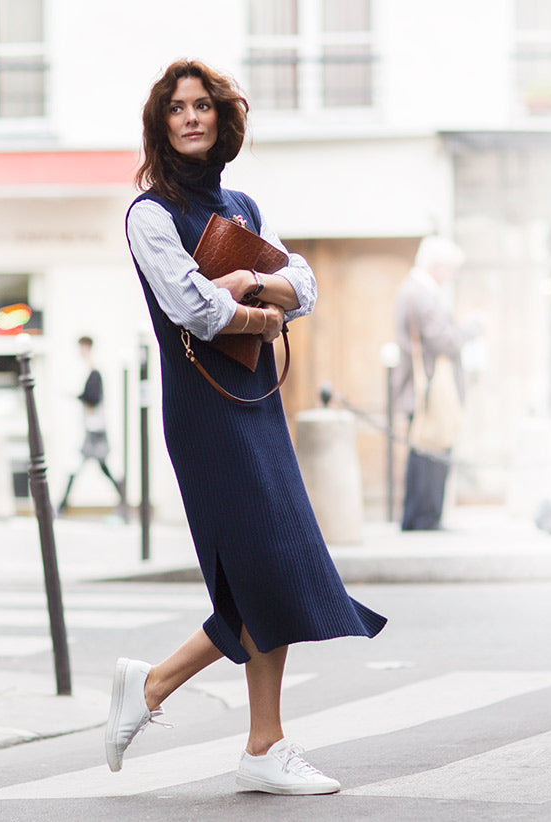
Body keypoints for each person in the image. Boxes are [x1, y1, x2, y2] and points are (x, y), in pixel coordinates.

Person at [109, 59, 387, 796]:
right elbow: (192, 309)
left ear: (222, 119)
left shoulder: (243, 206)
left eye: (203, 105)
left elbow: (306, 282)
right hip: (204, 412)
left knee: (275, 566)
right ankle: (162, 691)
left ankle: (255, 740)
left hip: (256, 399)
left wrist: (253, 287)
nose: (192, 117)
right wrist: (261, 309)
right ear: (160, 125)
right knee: (268, 568)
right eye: (177, 109)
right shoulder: (150, 214)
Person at [391, 236, 483, 531]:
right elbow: (443, 340)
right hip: (429, 388)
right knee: (431, 452)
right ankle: (424, 519)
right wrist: (472, 328)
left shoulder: (415, 291)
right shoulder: (422, 293)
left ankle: (420, 518)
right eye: (451, 269)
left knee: (425, 452)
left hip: (425, 387)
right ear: (437, 266)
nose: (452, 276)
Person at [58, 336, 127, 515]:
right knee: (97, 466)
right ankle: (123, 499)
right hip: (93, 429)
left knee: (79, 465)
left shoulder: (95, 374)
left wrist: (76, 395)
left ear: (87, 347)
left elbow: (92, 397)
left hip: (95, 430)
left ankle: (61, 505)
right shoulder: (92, 372)